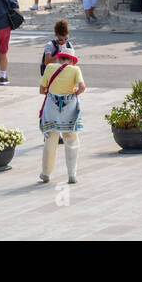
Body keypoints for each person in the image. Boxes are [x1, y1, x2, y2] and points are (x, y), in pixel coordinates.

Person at [38, 46, 86, 184]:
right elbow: (82, 87)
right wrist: (73, 94)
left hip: (52, 107)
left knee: (50, 140)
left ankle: (46, 173)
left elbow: (42, 90)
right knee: (71, 139)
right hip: (68, 108)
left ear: (59, 58)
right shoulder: (75, 70)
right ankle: (72, 174)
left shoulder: (50, 68)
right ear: (72, 60)